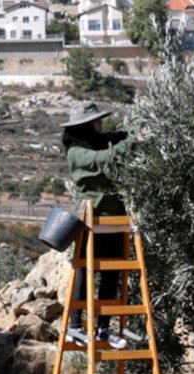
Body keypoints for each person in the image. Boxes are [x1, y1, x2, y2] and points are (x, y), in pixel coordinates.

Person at [61, 102, 133, 349]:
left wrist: (137, 131)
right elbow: (105, 159)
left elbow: (117, 137)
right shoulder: (76, 153)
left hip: (113, 220)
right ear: (85, 126)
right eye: (97, 122)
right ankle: (75, 327)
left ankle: (103, 327)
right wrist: (132, 143)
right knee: (84, 271)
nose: (101, 126)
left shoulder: (98, 140)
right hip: (90, 220)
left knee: (111, 274)